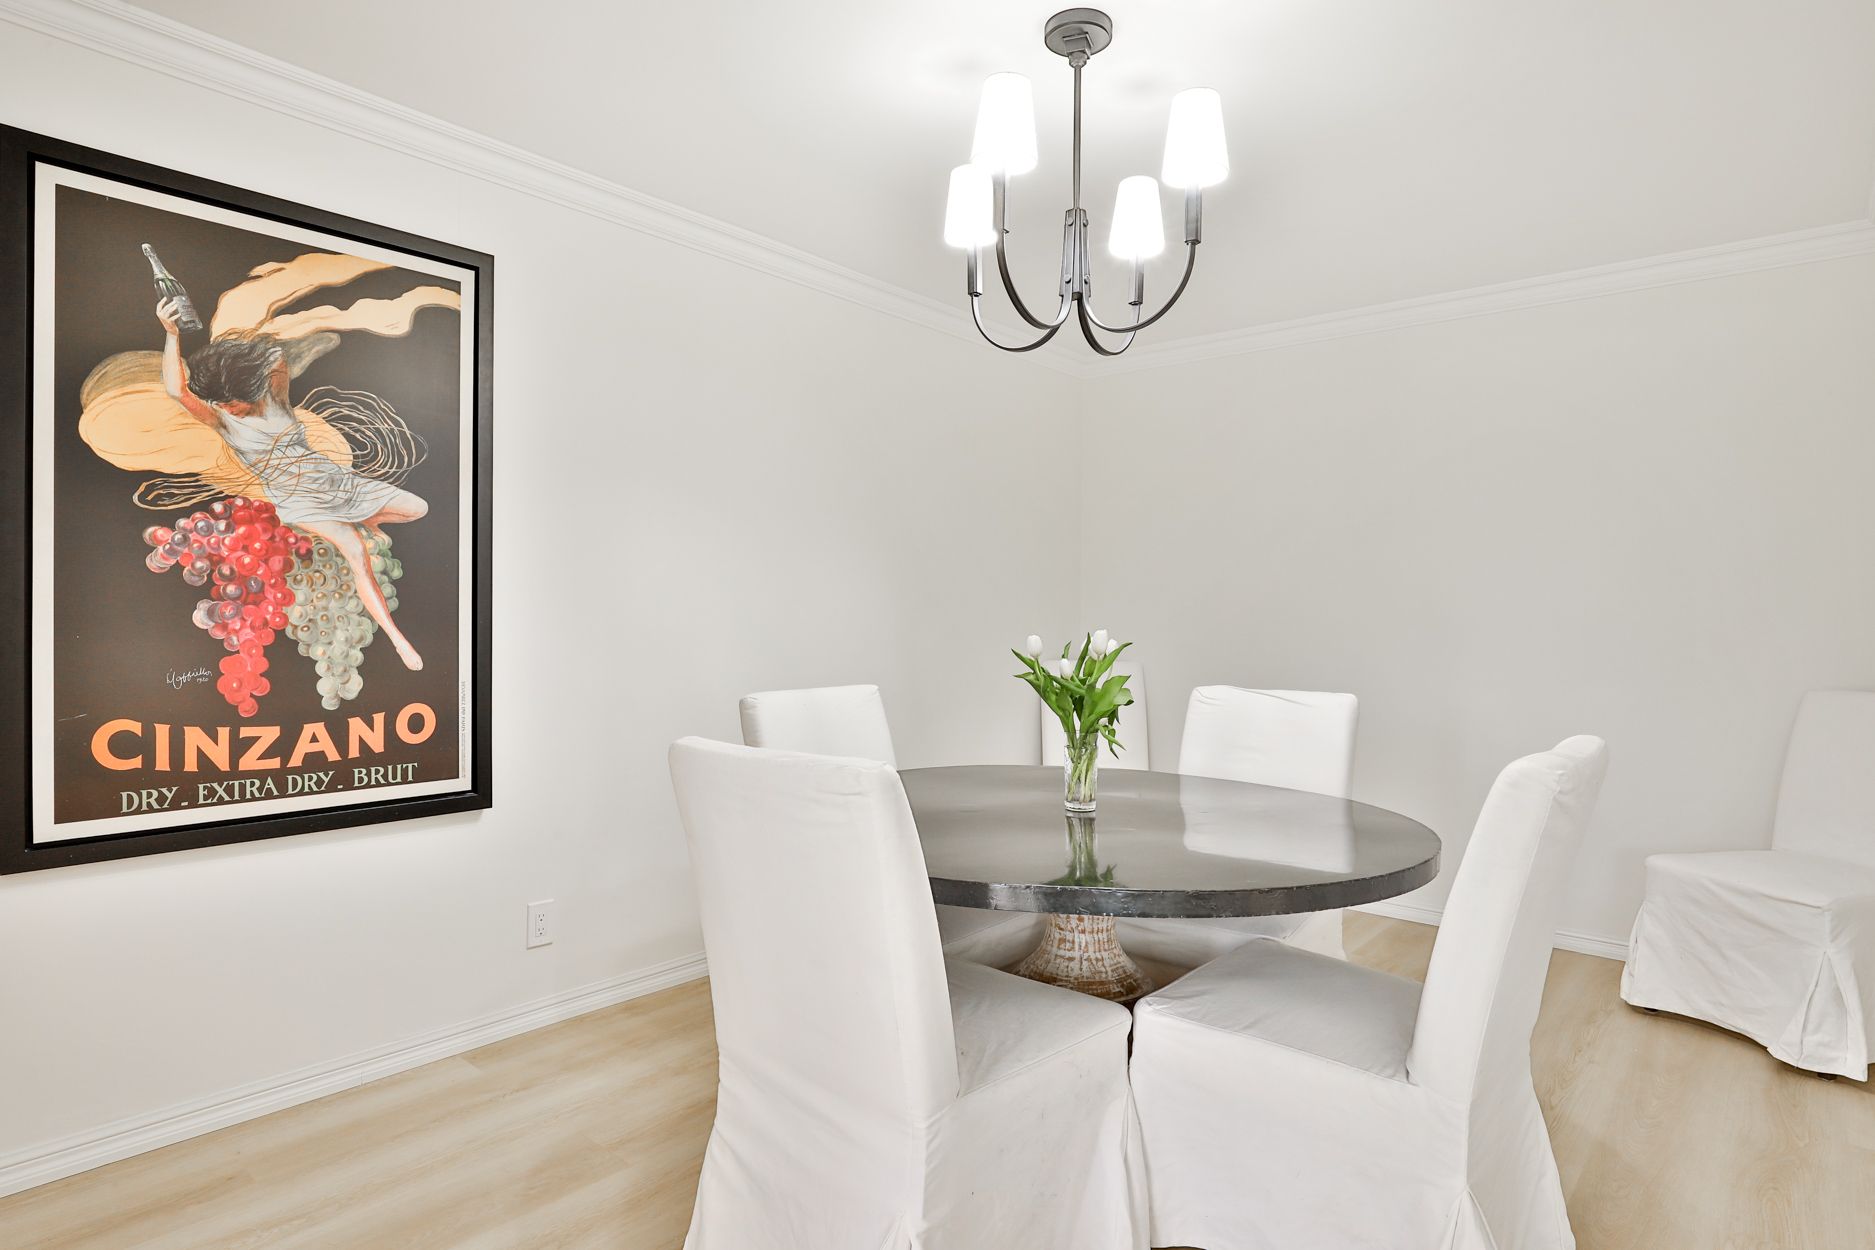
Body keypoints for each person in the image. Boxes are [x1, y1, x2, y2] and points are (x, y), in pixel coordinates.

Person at [157, 297, 428, 671]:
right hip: (299, 501)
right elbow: (177, 391)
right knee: (355, 553)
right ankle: (399, 641)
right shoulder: (222, 420)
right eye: (219, 403)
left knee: (418, 508)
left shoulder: (275, 398)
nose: (226, 407)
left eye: (232, 401)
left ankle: (366, 518)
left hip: (334, 481)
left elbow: (273, 355)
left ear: (250, 389)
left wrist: (251, 354)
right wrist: (172, 333)